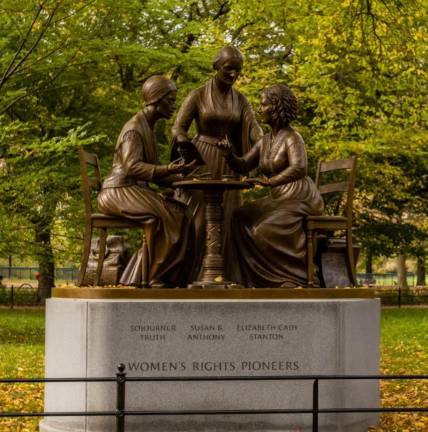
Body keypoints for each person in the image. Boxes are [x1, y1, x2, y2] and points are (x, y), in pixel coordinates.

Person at [219, 84, 324, 288]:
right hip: (278, 197)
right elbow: (243, 164)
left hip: (299, 197)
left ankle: (293, 277)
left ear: (277, 108)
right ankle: (249, 279)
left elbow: (299, 168)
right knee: (239, 217)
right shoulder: (265, 140)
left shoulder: (293, 138)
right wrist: (228, 154)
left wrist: (269, 181)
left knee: (263, 230)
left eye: (264, 104)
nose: (260, 109)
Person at [172, 45, 263, 279]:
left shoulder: (241, 100)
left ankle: (224, 274)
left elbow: (253, 127)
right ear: (216, 67)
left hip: (228, 161)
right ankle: (191, 274)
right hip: (201, 159)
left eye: (238, 70)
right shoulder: (198, 95)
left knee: (228, 215)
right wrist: (183, 142)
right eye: (228, 68)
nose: (233, 74)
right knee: (198, 218)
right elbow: (178, 126)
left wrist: (265, 141)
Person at [97, 75, 195, 287]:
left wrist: (183, 177)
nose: (173, 106)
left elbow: (156, 174)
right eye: (170, 100)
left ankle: (154, 274)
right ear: (155, 100)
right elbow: (133, 166)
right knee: (169, 216)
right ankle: (151, 275)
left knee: (181, 213)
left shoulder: (148, 127)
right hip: (118, 191)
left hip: (133, 189)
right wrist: (168, 169)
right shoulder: (134, 129)